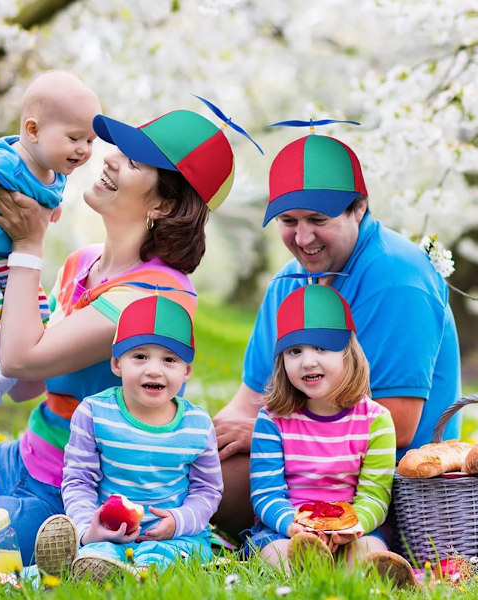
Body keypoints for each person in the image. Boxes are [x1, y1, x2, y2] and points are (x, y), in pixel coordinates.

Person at [0, 107, 236, 564]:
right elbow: (24, 382)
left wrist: (27, 247)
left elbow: (26, 359)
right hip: (24, 457)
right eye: (120, 150)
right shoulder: (83, 263)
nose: (108, 159)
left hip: (66, 507)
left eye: (133, 162)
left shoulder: (154, 297)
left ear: (163, 205)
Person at [212, 131, 462, 538]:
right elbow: (248, 402)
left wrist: (267, 434)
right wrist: (186, 446)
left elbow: (396, 425)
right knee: (195, 468)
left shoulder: (397, 278)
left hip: (380, 480)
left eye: (318, 220)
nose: (303, 238)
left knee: (221, 480)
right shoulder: (287, 284)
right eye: (289, 222)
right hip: (301, 463)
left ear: (359, 208)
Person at [0, 70, 101, 410]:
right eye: (75, 138)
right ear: (33, 130)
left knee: (38, 316)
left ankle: (1, 377)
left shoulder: (56, 173)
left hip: (1, 262)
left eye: (90, 141)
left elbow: (48, 204)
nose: (84, 150)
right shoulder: (10, 161)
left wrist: (49, 215)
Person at [33, 294, 222, 581]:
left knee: (162, 557)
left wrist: (178, 521)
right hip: (109, 532)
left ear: (187, 371)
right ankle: (90, 562)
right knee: (99, 553)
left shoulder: (197, 426)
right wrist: (88, 529)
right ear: (117, 363)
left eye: (169, 359)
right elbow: (79, 480)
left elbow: (207, 491)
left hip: (177, 538)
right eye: (140, 356)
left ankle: (139, 572)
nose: (154, 369)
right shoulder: (94, 413)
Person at [248, 283, 417, 588]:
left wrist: (353, 527)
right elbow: (266, 493)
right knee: (276, 554)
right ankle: (307, 572)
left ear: (348, 352)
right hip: (287, 531)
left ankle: (364, 577)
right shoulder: (272, 420)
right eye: (294, 351)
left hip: (352, 532)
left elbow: (375, 496)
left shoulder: (376, 421)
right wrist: (293, 525)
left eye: (322, 347)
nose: (308, 361)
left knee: (370, 550)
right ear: (281, 360)